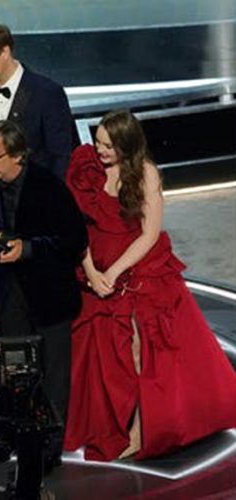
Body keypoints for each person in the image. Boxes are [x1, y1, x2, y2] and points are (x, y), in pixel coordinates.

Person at [63, 110, 236, 461]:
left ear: (128, 144)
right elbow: (76, 227)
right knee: (100, 354)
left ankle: (140, 430)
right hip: (93, 274)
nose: (100, 151)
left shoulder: (146, 174)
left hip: (139, 274)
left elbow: (149, 233)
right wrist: (92, 270)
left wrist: (113, 273)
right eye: (98, 142)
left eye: (109, 146)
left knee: (140, 350)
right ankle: (106, 424)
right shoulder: (87, 169)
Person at [0, 120, 87, 472]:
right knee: (15, 369)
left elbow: (74, 241)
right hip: (11, 293)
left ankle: (50, 447)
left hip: (49, 294)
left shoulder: (47, 186)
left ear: (18, 155)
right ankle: (20, 437)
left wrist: (27, 248)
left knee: (52, 374)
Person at [0, 22, 77, 182]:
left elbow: (60, 156)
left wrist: (50, 199)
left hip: (31, 196)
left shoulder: (47, 93)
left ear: (4, 52)